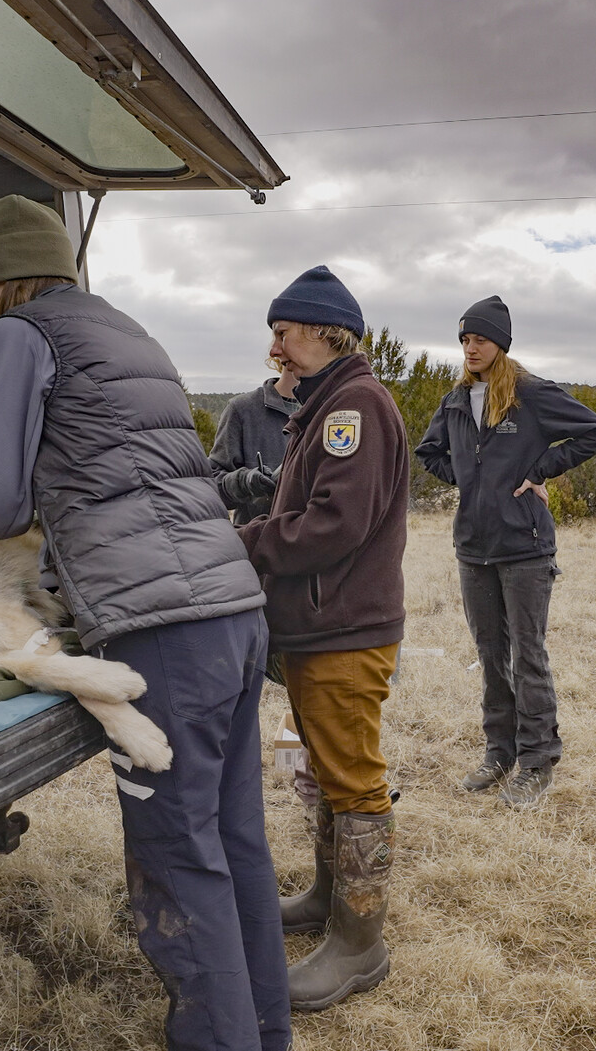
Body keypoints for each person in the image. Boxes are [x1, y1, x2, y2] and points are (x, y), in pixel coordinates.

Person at [0, 195, 289, 1051]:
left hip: (161, 632)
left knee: (175, 854)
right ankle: (266, 1033)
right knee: (236, 841)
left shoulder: (20, 334)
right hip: (233, 612)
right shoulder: (126, 330)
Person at [237, 264, 408, 1013]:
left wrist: (250, 542)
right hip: (320, 625)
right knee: (332, 771)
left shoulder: (354, 408)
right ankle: (327, 898)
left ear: (324, 331)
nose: (276, 347)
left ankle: (359, 943)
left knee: (354, 779)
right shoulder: (325, 405)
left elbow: (335, 522)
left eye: (284, 332)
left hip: (343, 628)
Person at [413, 295, 596, 807]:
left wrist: (537, 470)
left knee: (529, 656)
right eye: (463, 339)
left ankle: (537, 761)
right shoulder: (457, 398)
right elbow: (428, 452)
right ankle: (498, 752)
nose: (469, 347)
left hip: (524, 547)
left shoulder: (530, 393)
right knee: (489, 655)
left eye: (479, 338)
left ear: (500, 342)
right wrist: (470, 480)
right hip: (473, 547)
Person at [210, 360, 299, 524]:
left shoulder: (338, 413)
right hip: (255, 545)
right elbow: (210, 488)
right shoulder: (242, 410)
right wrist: (244, 483)